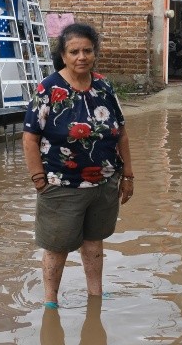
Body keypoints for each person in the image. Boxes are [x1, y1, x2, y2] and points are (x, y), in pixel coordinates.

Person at [22, 22, 134, 309]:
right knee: (56, 247)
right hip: (61, 186)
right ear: (63, 55)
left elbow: (120, 131)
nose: (81, 57)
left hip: (104, 183)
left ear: (95, 53)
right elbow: (30, 138)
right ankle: (50, 303)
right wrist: (39, 180)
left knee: (94, 242)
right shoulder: (48, 89)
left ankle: (95, 296)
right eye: (74, 51)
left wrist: (128, 176)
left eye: (87, 50)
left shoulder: (104, 86)